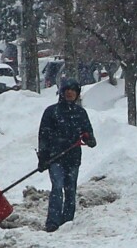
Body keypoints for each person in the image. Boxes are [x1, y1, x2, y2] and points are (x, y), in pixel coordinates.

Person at [37, 77, 97, 232]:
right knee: (57, 187)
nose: (70, 93)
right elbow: (43, 136)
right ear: (62, 93)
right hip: (55, 157)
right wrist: (43, 158)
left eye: (73, 91)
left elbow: (88, 133)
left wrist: (88, 139)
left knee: (70, 189)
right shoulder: (51, 112)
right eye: (67, 90)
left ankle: (67, 221)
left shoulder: (80, 113)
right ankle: (53, 222)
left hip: (73, 158)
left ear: (77, 93)